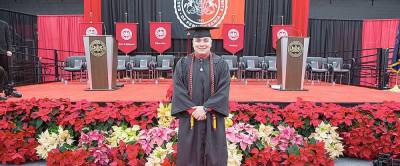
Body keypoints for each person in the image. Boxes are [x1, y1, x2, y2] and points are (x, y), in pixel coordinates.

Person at [171, 27, 231, 166]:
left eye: (205, 40)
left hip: (213, 117)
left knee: (214, 156)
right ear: (193, 43)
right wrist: (193, 110)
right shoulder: (183, 64)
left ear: (211, 42)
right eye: (198, 40)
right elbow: (178, 89)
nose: (201, 44)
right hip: (190, 118)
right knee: (189, 156)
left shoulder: (221, 64)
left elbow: (223, 90)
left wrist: (205, 109)